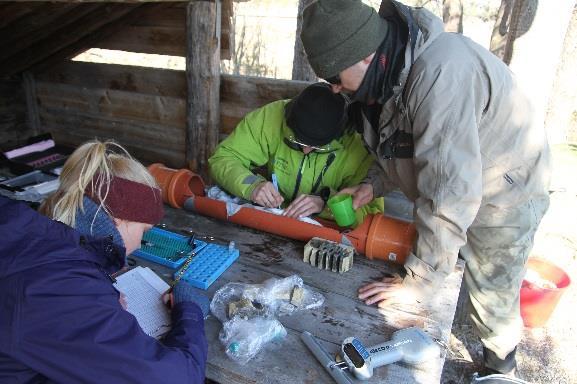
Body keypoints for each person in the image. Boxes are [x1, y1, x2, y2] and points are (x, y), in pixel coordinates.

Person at [301, 0, 550, 378]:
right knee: (455, 257)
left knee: (493, 286)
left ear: (365, 57)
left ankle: (499, 366)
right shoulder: (389, 71)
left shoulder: (441, 74)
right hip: (465, 183)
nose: (335, 89)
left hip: (505, 192)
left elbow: (450, 196)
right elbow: (400, 147)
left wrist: (417, 284)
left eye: (335, 77)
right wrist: (371, 186)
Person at [0, 140, 208, 383]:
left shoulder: (22, 226)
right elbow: (178, 379)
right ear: (119, 219)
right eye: (144, 230)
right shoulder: (63, 291)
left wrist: (99, 293)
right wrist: (190, 313)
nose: (140, 244)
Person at [208, 82, 383, 225]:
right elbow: (222, 158)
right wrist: (251, 185)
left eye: (318, 148)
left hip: (327, 235)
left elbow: (370, 213)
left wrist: (326, 204)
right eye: (298, 141)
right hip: (274, 224)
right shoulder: (272, 117)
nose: (306, 150)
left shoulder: (360, 142)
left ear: (337, 136)